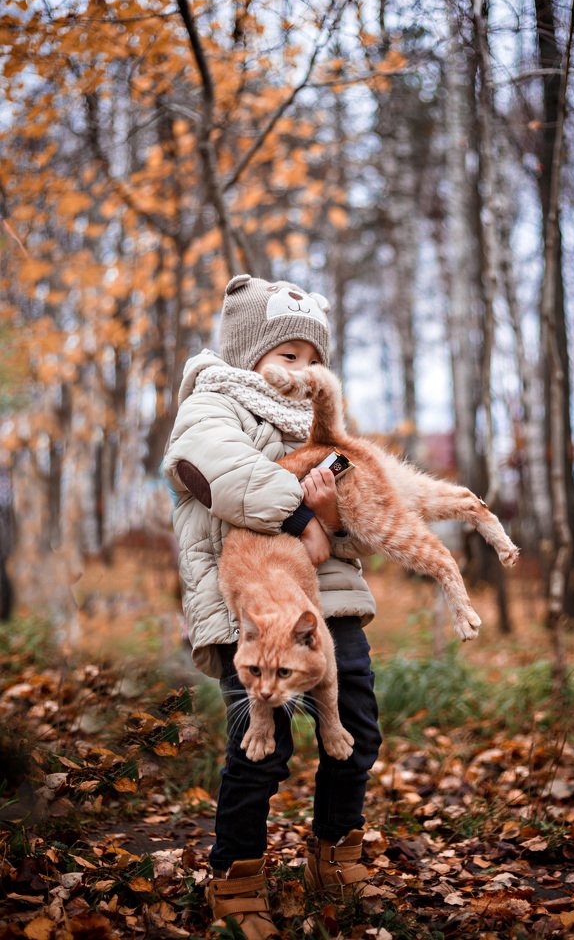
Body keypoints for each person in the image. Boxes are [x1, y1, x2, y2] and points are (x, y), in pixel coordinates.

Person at [163, 274, 382, 939]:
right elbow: (217, 470)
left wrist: (333, 514)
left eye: (314, 359)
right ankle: (237, 877)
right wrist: (300, 519)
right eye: (288, 355)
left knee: (359, 730)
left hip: (329, 603)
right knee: (258, 749)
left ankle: (335, 852)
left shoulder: (322, 424)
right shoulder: (213, 401)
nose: (304, 370)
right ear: (248, 354)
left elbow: (361, 505)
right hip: (248, 610)